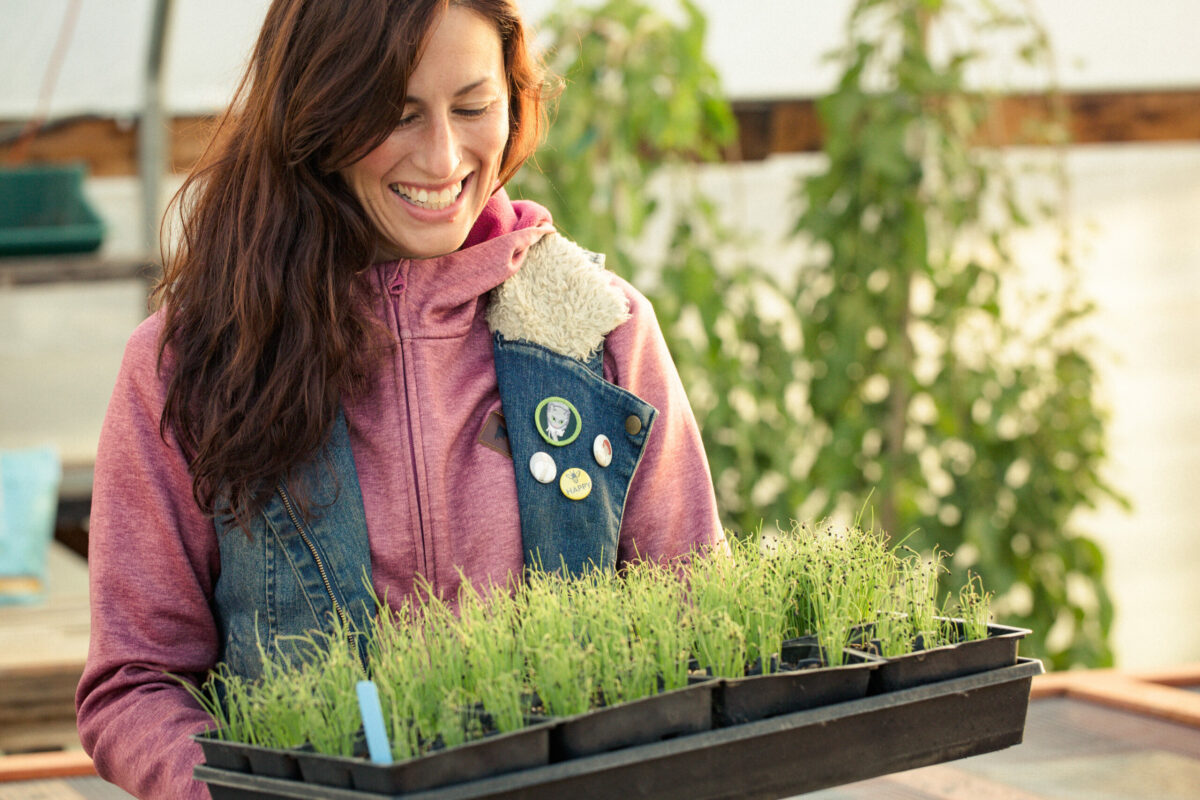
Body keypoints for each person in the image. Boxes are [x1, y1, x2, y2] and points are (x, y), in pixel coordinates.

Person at [75, 0, 724, 797]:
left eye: (473, 107)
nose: (444, 156)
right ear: (317, 112)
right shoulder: (196, 363)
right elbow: (138, 682)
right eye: (397, 114)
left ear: (514, 102)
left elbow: (703, 628)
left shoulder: (600, 334)